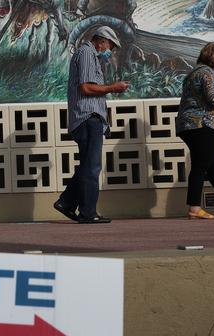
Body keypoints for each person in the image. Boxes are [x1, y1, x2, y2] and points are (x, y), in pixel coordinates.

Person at [53, 26, 130, 224]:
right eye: (110, 46)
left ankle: (67, 202)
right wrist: (113, 87)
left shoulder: (88, 54)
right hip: (88, 117)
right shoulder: (87, 53)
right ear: (101, 41)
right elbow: (86, 87)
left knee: (88, 165)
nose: (110, 51)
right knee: (92, 167)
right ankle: (87, 212)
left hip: (88, 118)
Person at [176, 42, 214, 219]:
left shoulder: (194, 73)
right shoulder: (208, 74)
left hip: (188, 125)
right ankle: (194, 208)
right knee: (201, 166)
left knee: (212, 165)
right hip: (203, 124)